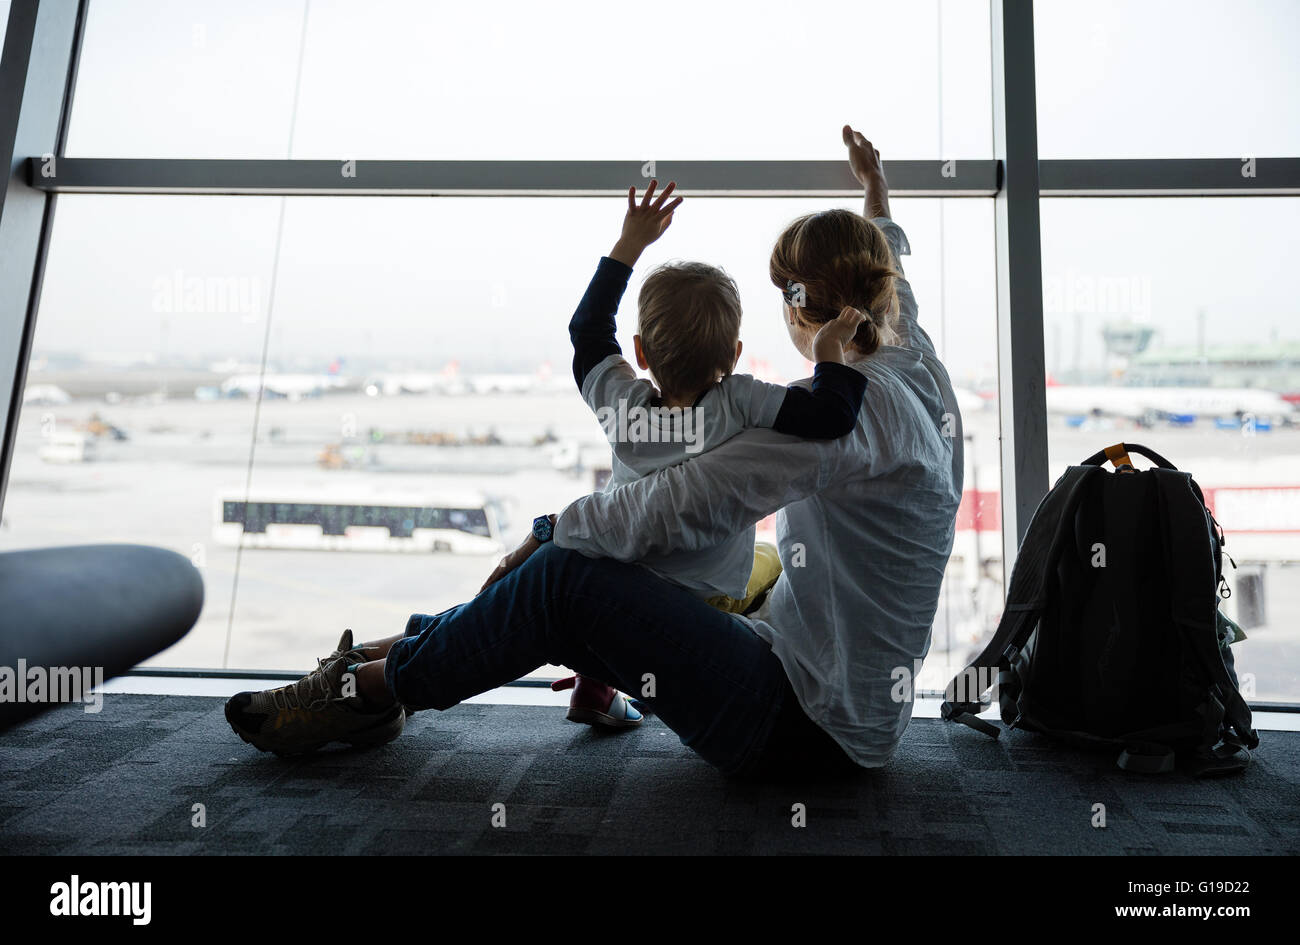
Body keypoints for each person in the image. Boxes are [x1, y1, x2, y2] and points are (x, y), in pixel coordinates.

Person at [225, 125, 964, 781]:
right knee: (583, 571)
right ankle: (361, 671)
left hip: (809, 728)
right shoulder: (912, 368)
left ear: (805, 307)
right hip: (834, 696)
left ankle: (358, 696)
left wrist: (550, 530)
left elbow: (679, 504)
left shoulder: (844, 421)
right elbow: (897, 290)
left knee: (563, 579)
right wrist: (878, 197)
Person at [553, 177, 873, 728]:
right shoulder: (739, 400)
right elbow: (834, 417)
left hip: (621, 579)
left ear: (640, 354)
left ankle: (596, 682)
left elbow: (587, 329)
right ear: (735, 353)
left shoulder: (620, 406)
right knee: (772, 563)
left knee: (617, 552)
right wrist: (828, 353)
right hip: (700, 602)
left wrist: (629, 244)